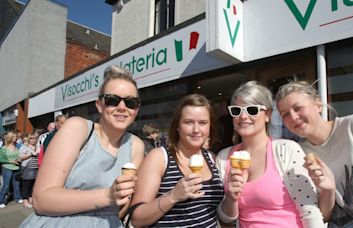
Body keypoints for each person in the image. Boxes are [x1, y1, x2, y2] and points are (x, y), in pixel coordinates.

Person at [20, 65, 145, 227]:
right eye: (112, 100)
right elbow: (41, 199)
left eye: (130, 102)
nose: (122, 107)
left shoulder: (135, 146)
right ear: (99, 105)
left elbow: (120, 210)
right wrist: (108, 195)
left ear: (137, 109)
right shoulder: (78, 128)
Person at [275, 80, 353, 227]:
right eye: (285, 115)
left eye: (298, 108)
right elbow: (325, 215)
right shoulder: (299, 154)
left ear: (318, 105)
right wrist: (328, 189)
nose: (293, 117)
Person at [217, 81, 334, 228]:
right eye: (236, 111)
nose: (243, 116)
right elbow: (226, 219)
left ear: (267, 115)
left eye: (252, 110)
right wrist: (231, 198)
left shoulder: (286, 150)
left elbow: (309, 210)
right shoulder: (223, 158)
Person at [130, 94, 224, 227]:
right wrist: (173, 196)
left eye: (202, 123)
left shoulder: (213, 159)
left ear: (210, 127)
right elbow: (137, 219)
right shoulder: (159, 157)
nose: (196, 130)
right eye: (188, 122)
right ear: (177, 126)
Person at [0, 131, 23, 208]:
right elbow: (1, 159)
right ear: (10, 138)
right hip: (7, 168)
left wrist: (19, 159)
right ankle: (1, 201)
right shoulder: (4, 148)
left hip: (16, 168)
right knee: (6, 185)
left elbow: (18, 156)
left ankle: (17, 198)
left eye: (16, 136)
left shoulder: (17, 146)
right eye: (14, 137)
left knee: (16, 185)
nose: (16, 138)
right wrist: (10, 161)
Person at [18, 133, 39, 208]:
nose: (33, 140)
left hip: (35, 168)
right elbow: (20, 158)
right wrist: (30, 154)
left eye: (34, 138)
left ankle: (31, 199)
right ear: (28, 139)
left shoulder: (37, 146)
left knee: (32, 185)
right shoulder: (24, 147)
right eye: (31, 138)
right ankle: (25, 202)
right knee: (26, 185)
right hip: (27, 168)